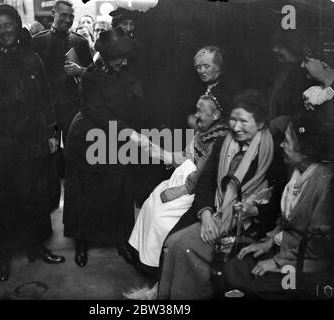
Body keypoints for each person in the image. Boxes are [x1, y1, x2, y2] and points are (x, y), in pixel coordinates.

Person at [0, 5, 65, 282]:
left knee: (34, 196)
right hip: (0, 145)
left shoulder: (33, 58)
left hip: (32, 141)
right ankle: (3, 254)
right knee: (3, 200)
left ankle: (36, 246)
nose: (4, 30)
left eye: (8, 24)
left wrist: (52, 133)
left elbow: (46, 98)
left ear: (17, 25)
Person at [157, 89, 283, 300]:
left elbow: (279, 202)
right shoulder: (223, 142)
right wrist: (205, 215)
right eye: (233, 120)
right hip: (213, 212)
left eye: (243, 121)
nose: (236, 127)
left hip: (248, 225)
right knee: (173, 244)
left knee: (185, 247)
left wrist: (254, 209)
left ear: (260, 123)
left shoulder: (273, 153)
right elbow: (205, 183)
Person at [63, 28, 149, 268]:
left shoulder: (127, 70)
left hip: (118, 135)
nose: (124, 61)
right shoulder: (90, 77)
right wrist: (131, 134)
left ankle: (121, 238)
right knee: (86, 192)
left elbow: (135, 104)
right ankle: (82, 240)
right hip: (88, 138)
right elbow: (99, 114)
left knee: (119, 188)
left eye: (126, 56)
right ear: (107, 55)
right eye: (119, 57)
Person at [224, 116, 333, 299]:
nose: (281, 145)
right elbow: (289, 225)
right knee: (235, 267)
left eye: (287, 141)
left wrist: (276, 261)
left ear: (305, 152)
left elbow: (316, 245)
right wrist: (269, 242)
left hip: (305, 268)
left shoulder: (326, 184)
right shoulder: (295, 171)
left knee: (242, 278)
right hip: (287, 253)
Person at [128, 94, 229, 272]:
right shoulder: (203, 131)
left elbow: (202, 175)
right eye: (196, 109)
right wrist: (150, 147)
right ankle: (143, 258)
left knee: (160, 219)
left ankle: (157, 268)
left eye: (200, 111)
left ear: (215, 115)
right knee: (150, 205)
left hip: (195, 190)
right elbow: (184, 157)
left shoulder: (218, 138)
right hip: (183, 181)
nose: (196, 115)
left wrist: (178, 190)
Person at [32, 0, 93, 144]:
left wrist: (80, 71)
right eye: (64, 15)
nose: (68, 20)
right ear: (54, 13)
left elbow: (92, 74)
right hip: (46, 109)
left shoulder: (80, 42)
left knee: (73, 149)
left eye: (71, 16)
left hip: (73, 108)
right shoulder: (37, 42)